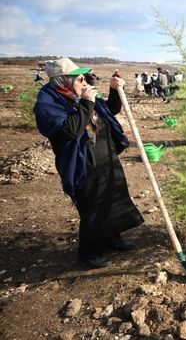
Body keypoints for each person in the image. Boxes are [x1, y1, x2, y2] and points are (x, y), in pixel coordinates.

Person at [33, 57, 144, 268]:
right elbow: (70, 129)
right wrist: (86, 102)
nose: (84, 81)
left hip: (105, 156)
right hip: (83, 164)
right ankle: (88, 254)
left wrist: (113, 91)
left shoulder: (80, 94)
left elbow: (109, 109)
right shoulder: (48, 103)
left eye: (84, 77)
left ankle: (113, 238)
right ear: (62, 80)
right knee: (93, 205)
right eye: (79, 78)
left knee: (113, 196)